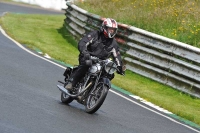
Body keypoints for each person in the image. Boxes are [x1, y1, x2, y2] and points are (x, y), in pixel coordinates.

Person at [65, 18, 125, 90]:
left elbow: (117, 56)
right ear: (104, 27)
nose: (111, 31)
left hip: (101, 62)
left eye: (113, 30)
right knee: (87, 63)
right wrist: (84, 52)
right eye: (110, 29)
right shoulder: (95, 34)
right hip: (87, 56)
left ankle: (95, 89)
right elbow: (82, 43)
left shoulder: (113, 43)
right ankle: (72, 83)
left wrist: (119, 67)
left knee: (109, 73)